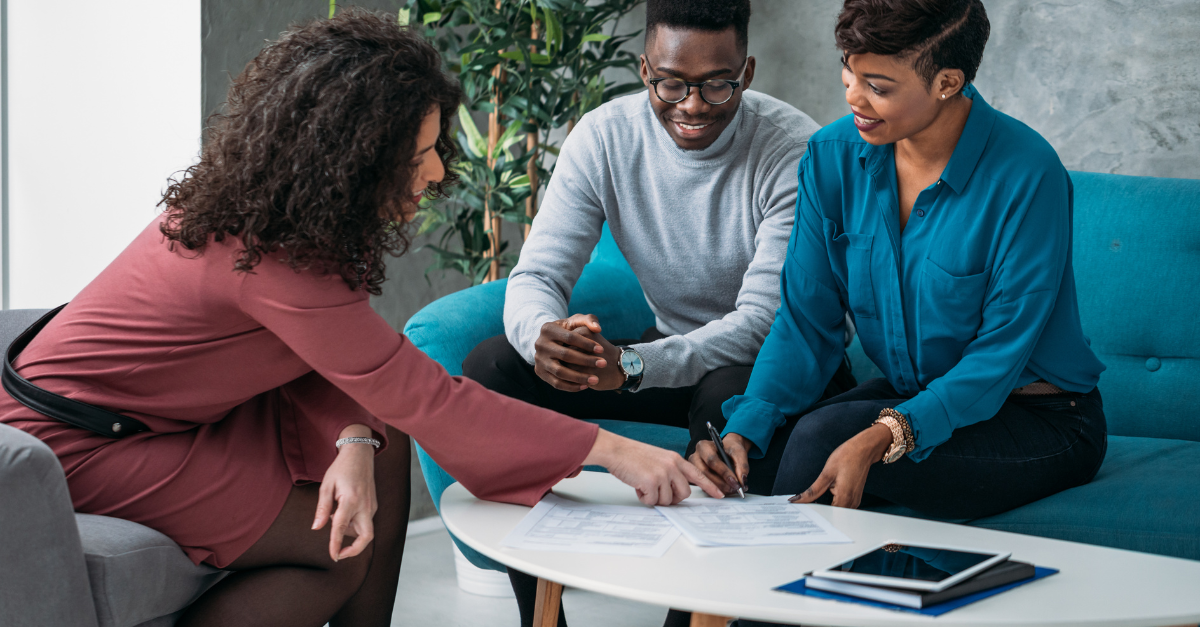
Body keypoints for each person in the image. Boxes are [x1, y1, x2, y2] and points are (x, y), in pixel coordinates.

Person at [0, 11, 722, 627]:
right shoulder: (266, 257)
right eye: (421, 154)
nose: (439, 173)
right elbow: (424, 392)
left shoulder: (287, 220)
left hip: (161, 417)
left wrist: (352, 437)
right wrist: (617, 451)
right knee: (336, 545)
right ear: (353, 160)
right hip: (75, 445)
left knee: (379, 449)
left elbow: (344, 362)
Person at [460, 1, 854, 624]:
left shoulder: (793, 151)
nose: (692, 105)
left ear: (746, 72)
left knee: (724, 399)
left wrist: (635, 365)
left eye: (716, 84)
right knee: (491, 370)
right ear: (645, 70)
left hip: (779, 369)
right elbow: (537, 273)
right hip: (667, 356)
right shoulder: (604, 137)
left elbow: (763, 322)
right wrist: (544, 336)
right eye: (671, 83)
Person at [695, 0, 1108, 553]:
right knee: (745, 453)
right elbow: (804, 323)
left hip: (1037, 417)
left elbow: (998, 356)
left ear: (947, 82)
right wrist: (745, 428)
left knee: (824, 437)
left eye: (879, 86)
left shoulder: (1028, 174)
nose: (852, 95)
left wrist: (887, 434)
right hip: (910, 391)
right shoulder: (832, 156)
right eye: (848, 68)